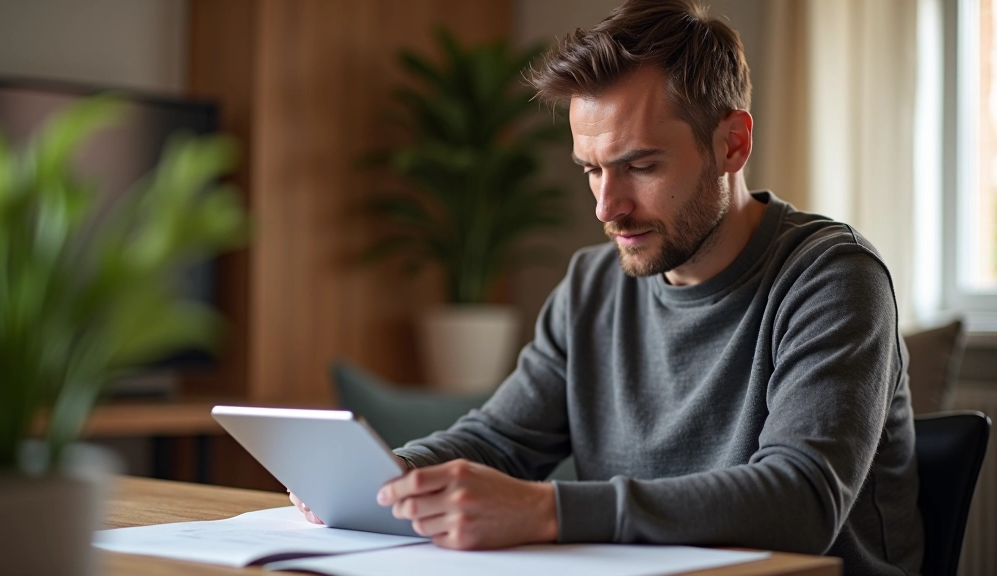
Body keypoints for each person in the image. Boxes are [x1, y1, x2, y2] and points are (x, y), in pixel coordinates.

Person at [291, 0, 922, 573]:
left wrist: (548, 511)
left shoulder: (833, 278)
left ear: (733, 143)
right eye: (592, 170)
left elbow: (800, 502)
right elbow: (502, 439)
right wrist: (392, 476)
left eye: (640, 166)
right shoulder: (593, 284)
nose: (606, 207)